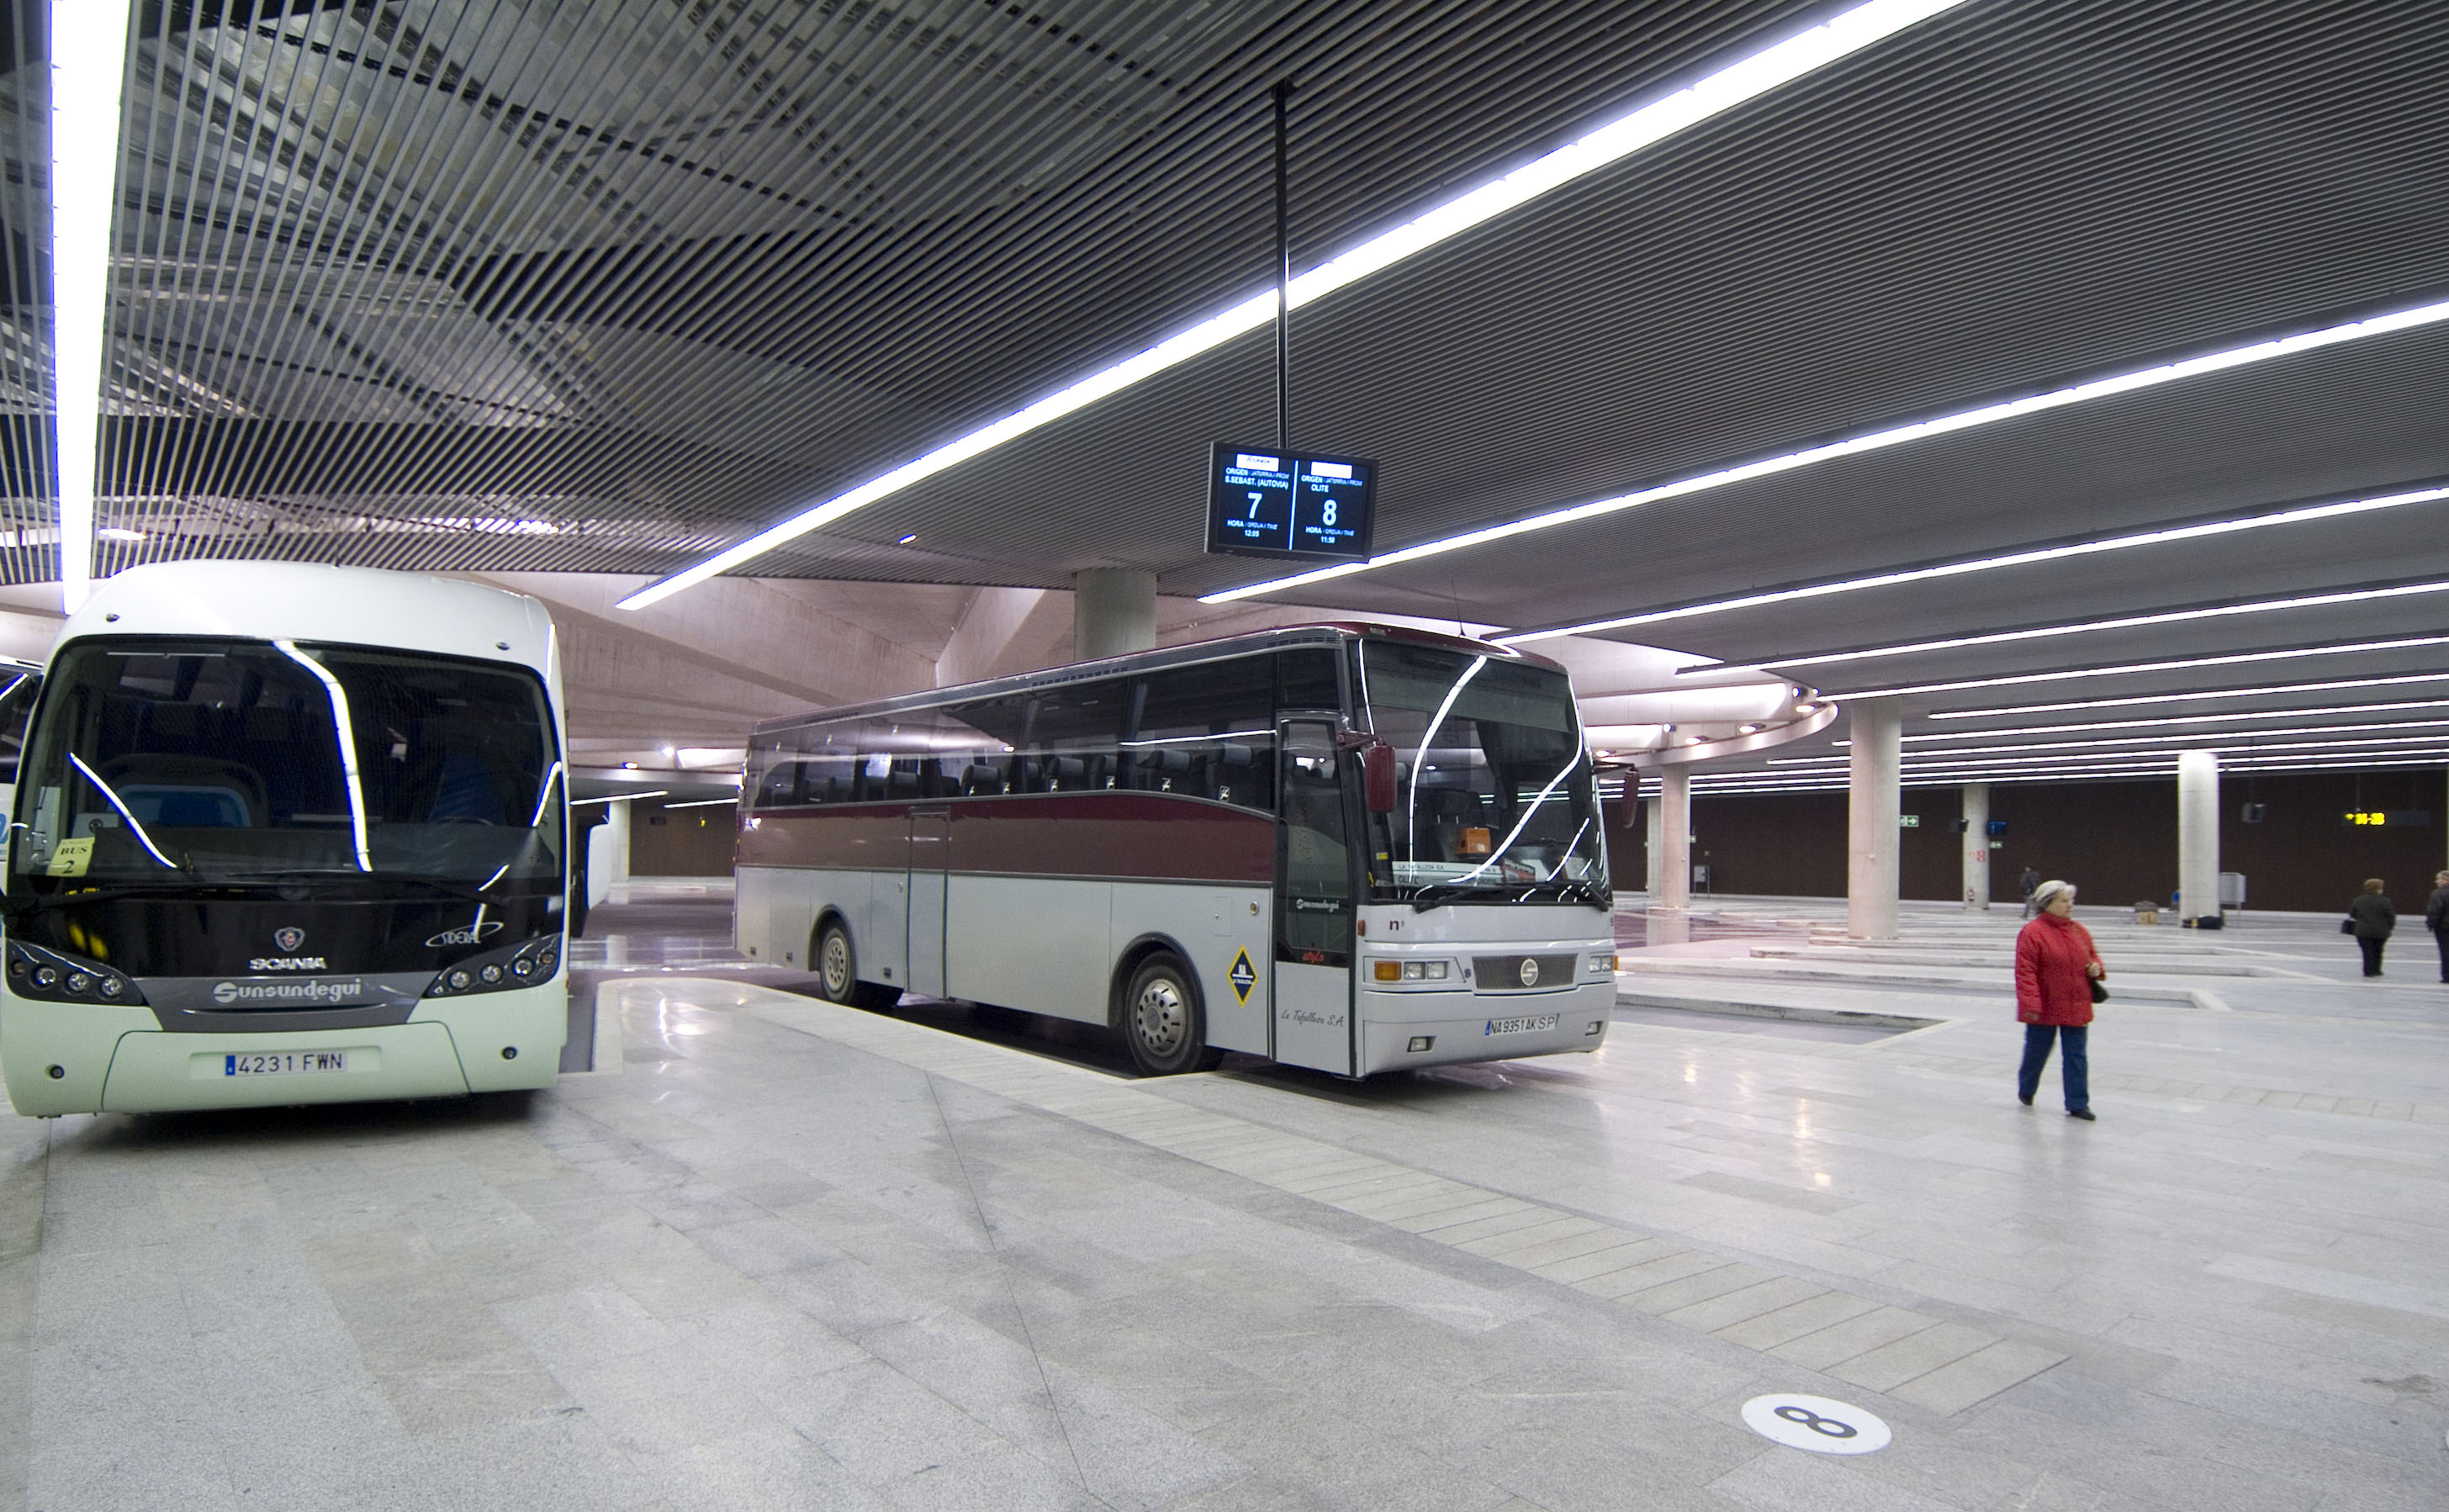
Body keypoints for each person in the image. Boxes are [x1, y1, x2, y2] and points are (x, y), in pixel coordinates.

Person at [2015, 879, 2103, 1119]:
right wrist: (2031, 1004)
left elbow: (2093, 957)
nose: (2070, 905)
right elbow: (2026, 972)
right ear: (2047, 904)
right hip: (2045, 1005)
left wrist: (2096, 967)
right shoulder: (2032, 933)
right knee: (2037, 1052)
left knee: (2076, 1056)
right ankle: (2027, 1088)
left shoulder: (2079, 931)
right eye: (2064, 901)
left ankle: (2078, 1103)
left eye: (2070, 900)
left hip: (2076, 1002)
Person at [2346, 878, 2396, 978]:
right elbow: (2391, 916)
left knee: (2367, 951)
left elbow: (2353, 914)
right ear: (2378, 889)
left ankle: (2368, 970)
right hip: (2381, 931)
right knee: (2379, 950)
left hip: (2362, 931)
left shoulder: (2358, 900)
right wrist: (2390, 926)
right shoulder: (2385, 901)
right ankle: (2376, 969)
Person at [2429, 870, 2449, 985]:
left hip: (2443, 927)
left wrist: (2431, 923)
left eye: (2438, 879)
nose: (2437, 882)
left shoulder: (2438, 894)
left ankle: (2447, 975)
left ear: (2444, 880)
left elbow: (2435, 910)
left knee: (2445, 951)